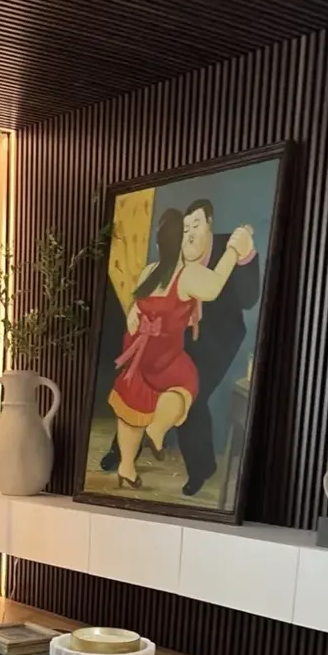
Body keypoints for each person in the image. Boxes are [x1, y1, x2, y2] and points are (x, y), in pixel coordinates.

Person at [101, 197, 261, 496]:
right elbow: (208, 286)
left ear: (209, 225)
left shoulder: (224, 248)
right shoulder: (173, 270)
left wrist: (243, 253)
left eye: (196, 225)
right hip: (166, 344)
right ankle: (138, 446)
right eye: (185, 228)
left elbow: (247, 298)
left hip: (210, 337)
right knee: (154, 392)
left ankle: (197, 468)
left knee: (159, 395)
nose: (190, 233)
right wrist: (137, 308)